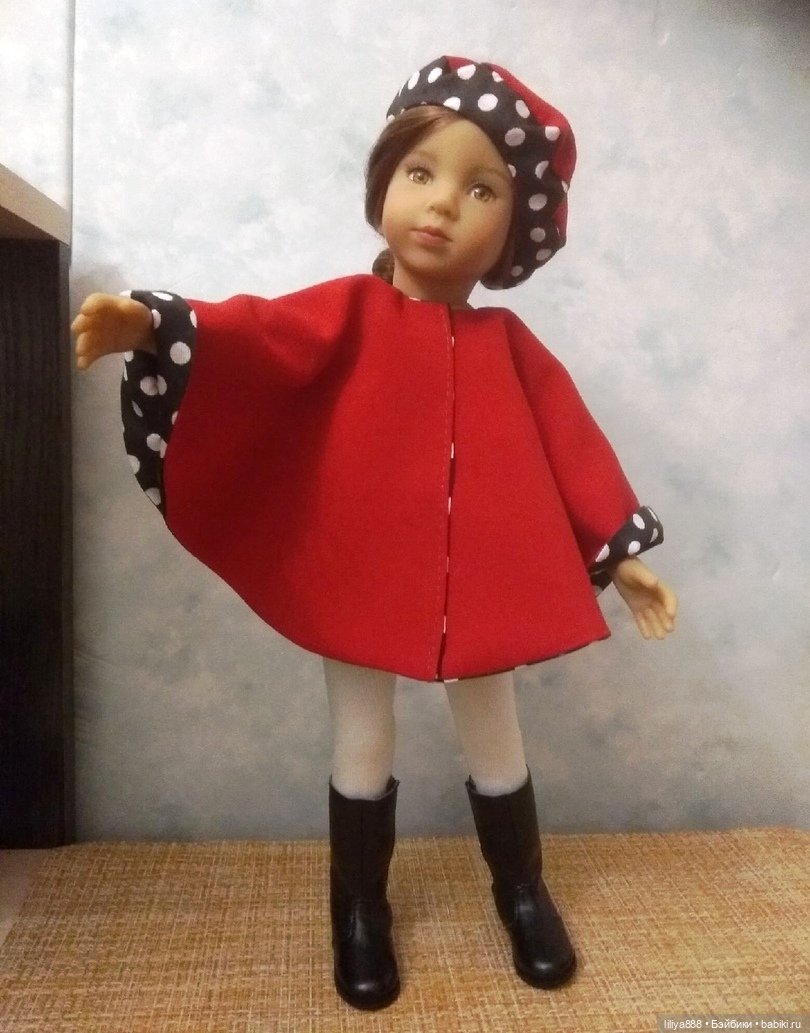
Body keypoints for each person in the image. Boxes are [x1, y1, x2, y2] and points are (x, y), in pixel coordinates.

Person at [73, 55, 677, 1011]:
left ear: (514, 232)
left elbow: (574, 447)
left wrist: (625, 552)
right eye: (420, 171)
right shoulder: (346, 314)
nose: (441, 203)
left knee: (497, 733)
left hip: (481, 584)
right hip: (359, 574)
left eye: (480, 189)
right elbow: (253, 335)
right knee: (362, 736)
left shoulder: (511, 348)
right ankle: (359, 910)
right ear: (384, 182)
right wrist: (152, 324)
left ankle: (522, 892)